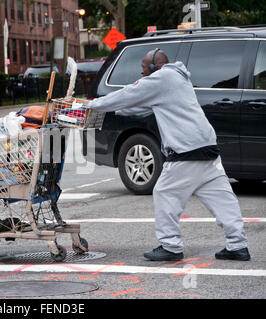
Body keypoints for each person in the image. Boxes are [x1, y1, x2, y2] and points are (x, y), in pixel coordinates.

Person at [87, 48, 250, 261]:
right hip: (207, 148)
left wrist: (90, 105)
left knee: (165, 192)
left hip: (186, 150)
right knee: (222, 199)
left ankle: (171, 246)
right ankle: (238, 245)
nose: (142, 74)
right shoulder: (176, 80)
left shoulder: (161, 78)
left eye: (144, 69)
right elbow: (137, 105)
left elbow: (129, 94)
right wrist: (110, 110)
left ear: (156, 67)